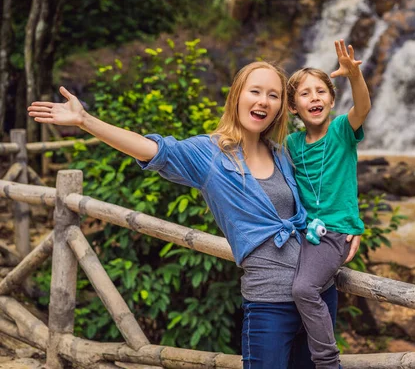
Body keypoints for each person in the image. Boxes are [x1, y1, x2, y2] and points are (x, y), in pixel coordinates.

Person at [28, 61, 360, 369]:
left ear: (280, 108)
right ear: (237, 96)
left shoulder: (283, 152)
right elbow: (153, 150)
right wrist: (86, 121)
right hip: (269, 302)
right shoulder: (210, 155)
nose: (263, 101)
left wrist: (346, 227)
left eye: (273, 95)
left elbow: (326, 192)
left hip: (318, 295)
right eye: (255, 91)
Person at [286, 39, 371, 369]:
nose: (314, 98)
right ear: (294, 108)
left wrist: (354, 77)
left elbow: (362, 108)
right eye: (305, 94)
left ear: (332, 99)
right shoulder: (292, 144)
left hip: (335, 233)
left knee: (304, 289)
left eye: (321, 91)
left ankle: (326, 361)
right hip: (306, 233)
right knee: (296, 287)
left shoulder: (341, 131)